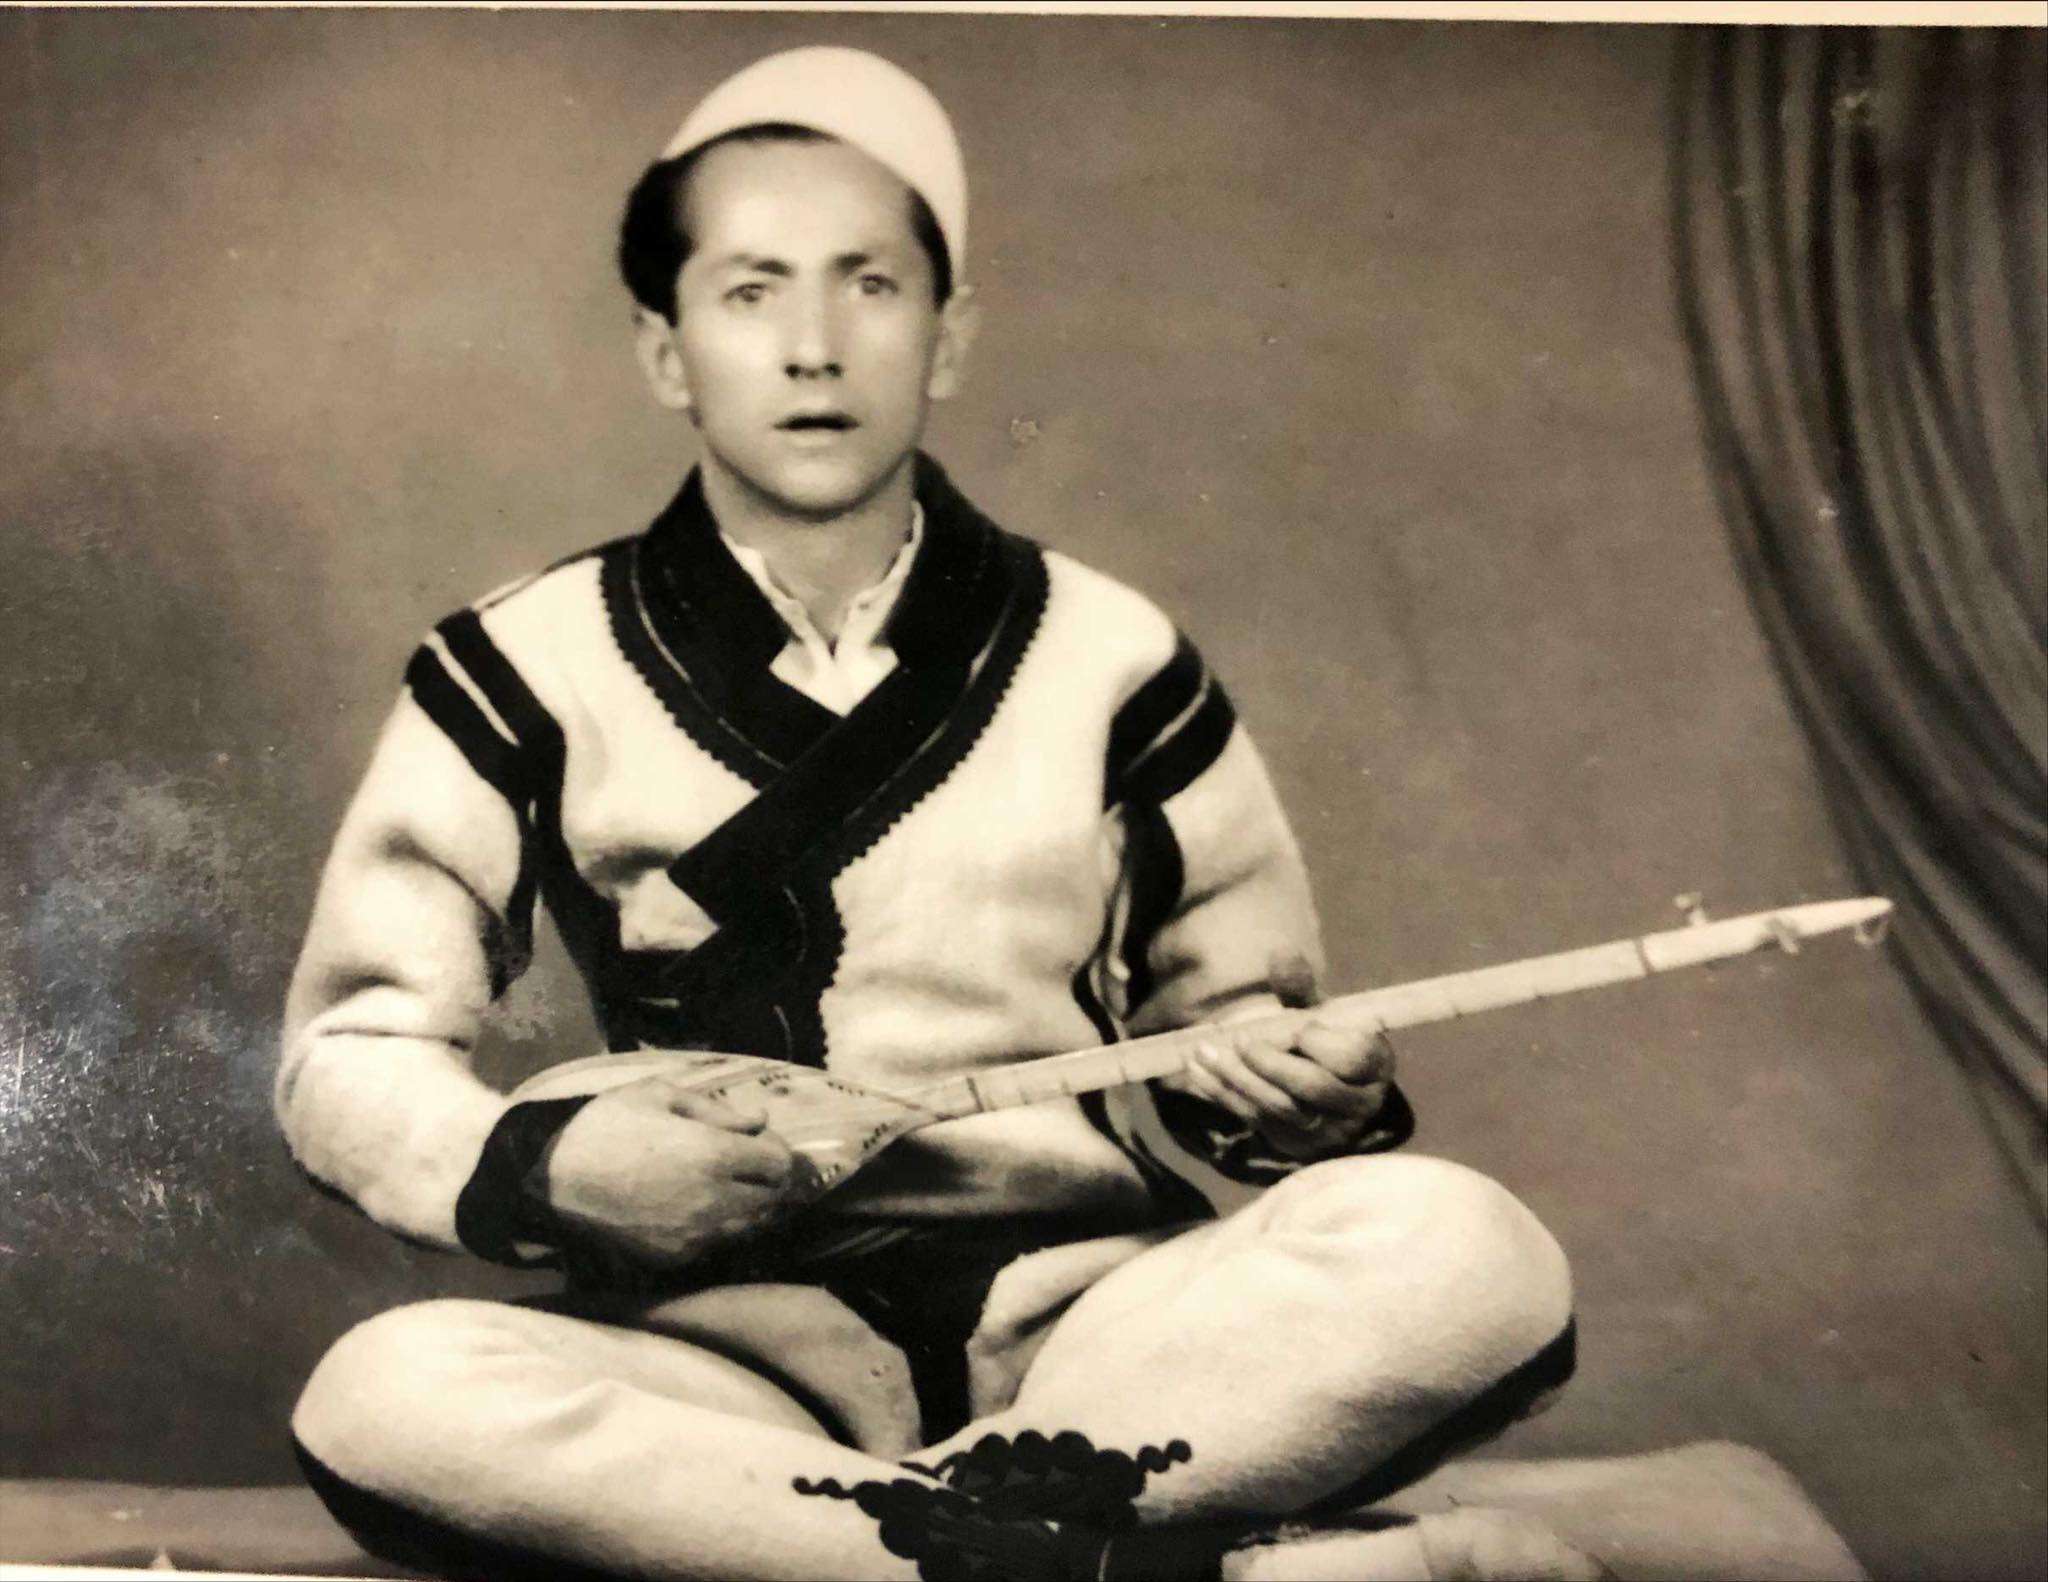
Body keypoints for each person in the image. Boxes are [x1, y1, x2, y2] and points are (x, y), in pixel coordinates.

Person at [279, 46, 1590, 1582]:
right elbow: (349, 1052)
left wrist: (1303, 1092)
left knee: (1468, 1247)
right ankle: (1131, 1559)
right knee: (387, 1392)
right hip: (724, 1355)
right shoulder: (520, 662)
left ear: (948, 335)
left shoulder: (1113, 656)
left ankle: (874, 1548)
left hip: (1097, 1328)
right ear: (665, 350)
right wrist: (555, 1168)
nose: (814, 349)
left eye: (872, 286)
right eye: (751, 291)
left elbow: (1237, 1025)